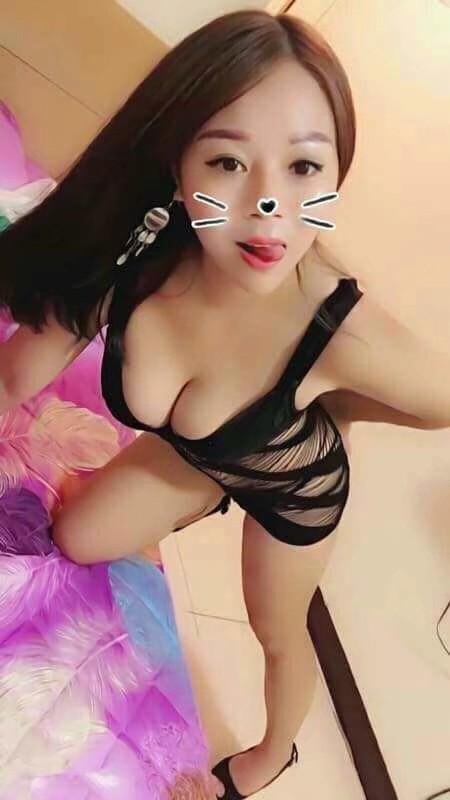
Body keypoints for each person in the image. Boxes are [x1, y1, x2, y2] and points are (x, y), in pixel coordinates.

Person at [2, 9, 446, 800]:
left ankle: (275, 753)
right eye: (229, 162)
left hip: (286, 486)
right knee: (75, 536)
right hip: (194, 451)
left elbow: (440, 401)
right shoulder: (134, 258)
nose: (269, 206)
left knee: (277, 632)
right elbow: (12, 379)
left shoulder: (337, 326)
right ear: (177, 168)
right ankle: (199, 492)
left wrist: (337, 413)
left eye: (304, 167)